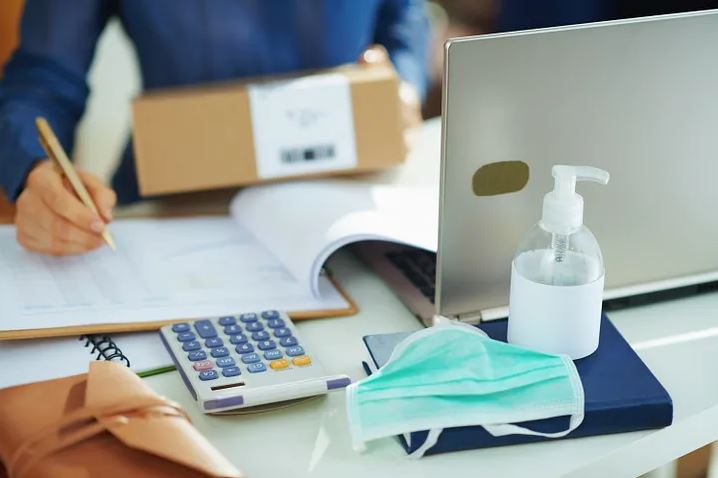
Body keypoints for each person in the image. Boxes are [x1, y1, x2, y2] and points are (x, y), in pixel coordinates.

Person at [0, 0, 429, 256]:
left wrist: (404, 85)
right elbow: (44, 72)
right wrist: (34, 169)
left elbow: (403, 19)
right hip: (173, 210)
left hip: (349, 211)